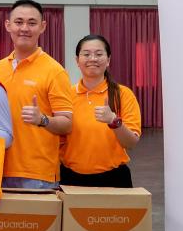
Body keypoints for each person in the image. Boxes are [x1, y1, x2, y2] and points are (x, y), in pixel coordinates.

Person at [0, 0, 74, 189]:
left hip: (38, 175)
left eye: (32, 23)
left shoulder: (55, 70)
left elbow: (67, 124)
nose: (24, 28)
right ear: (8, 25)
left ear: (42, 27)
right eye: (19, 22)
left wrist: (43, 120)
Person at [60, 34, 141, 187]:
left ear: (108, 60)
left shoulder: (122, 94)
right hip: (70, 178)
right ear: (77, 61)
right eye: (86, 54)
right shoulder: (66, 95)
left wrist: (114, 121)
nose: (93, 58)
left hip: (114, 179)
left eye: (99, 54)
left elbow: (131, 142)